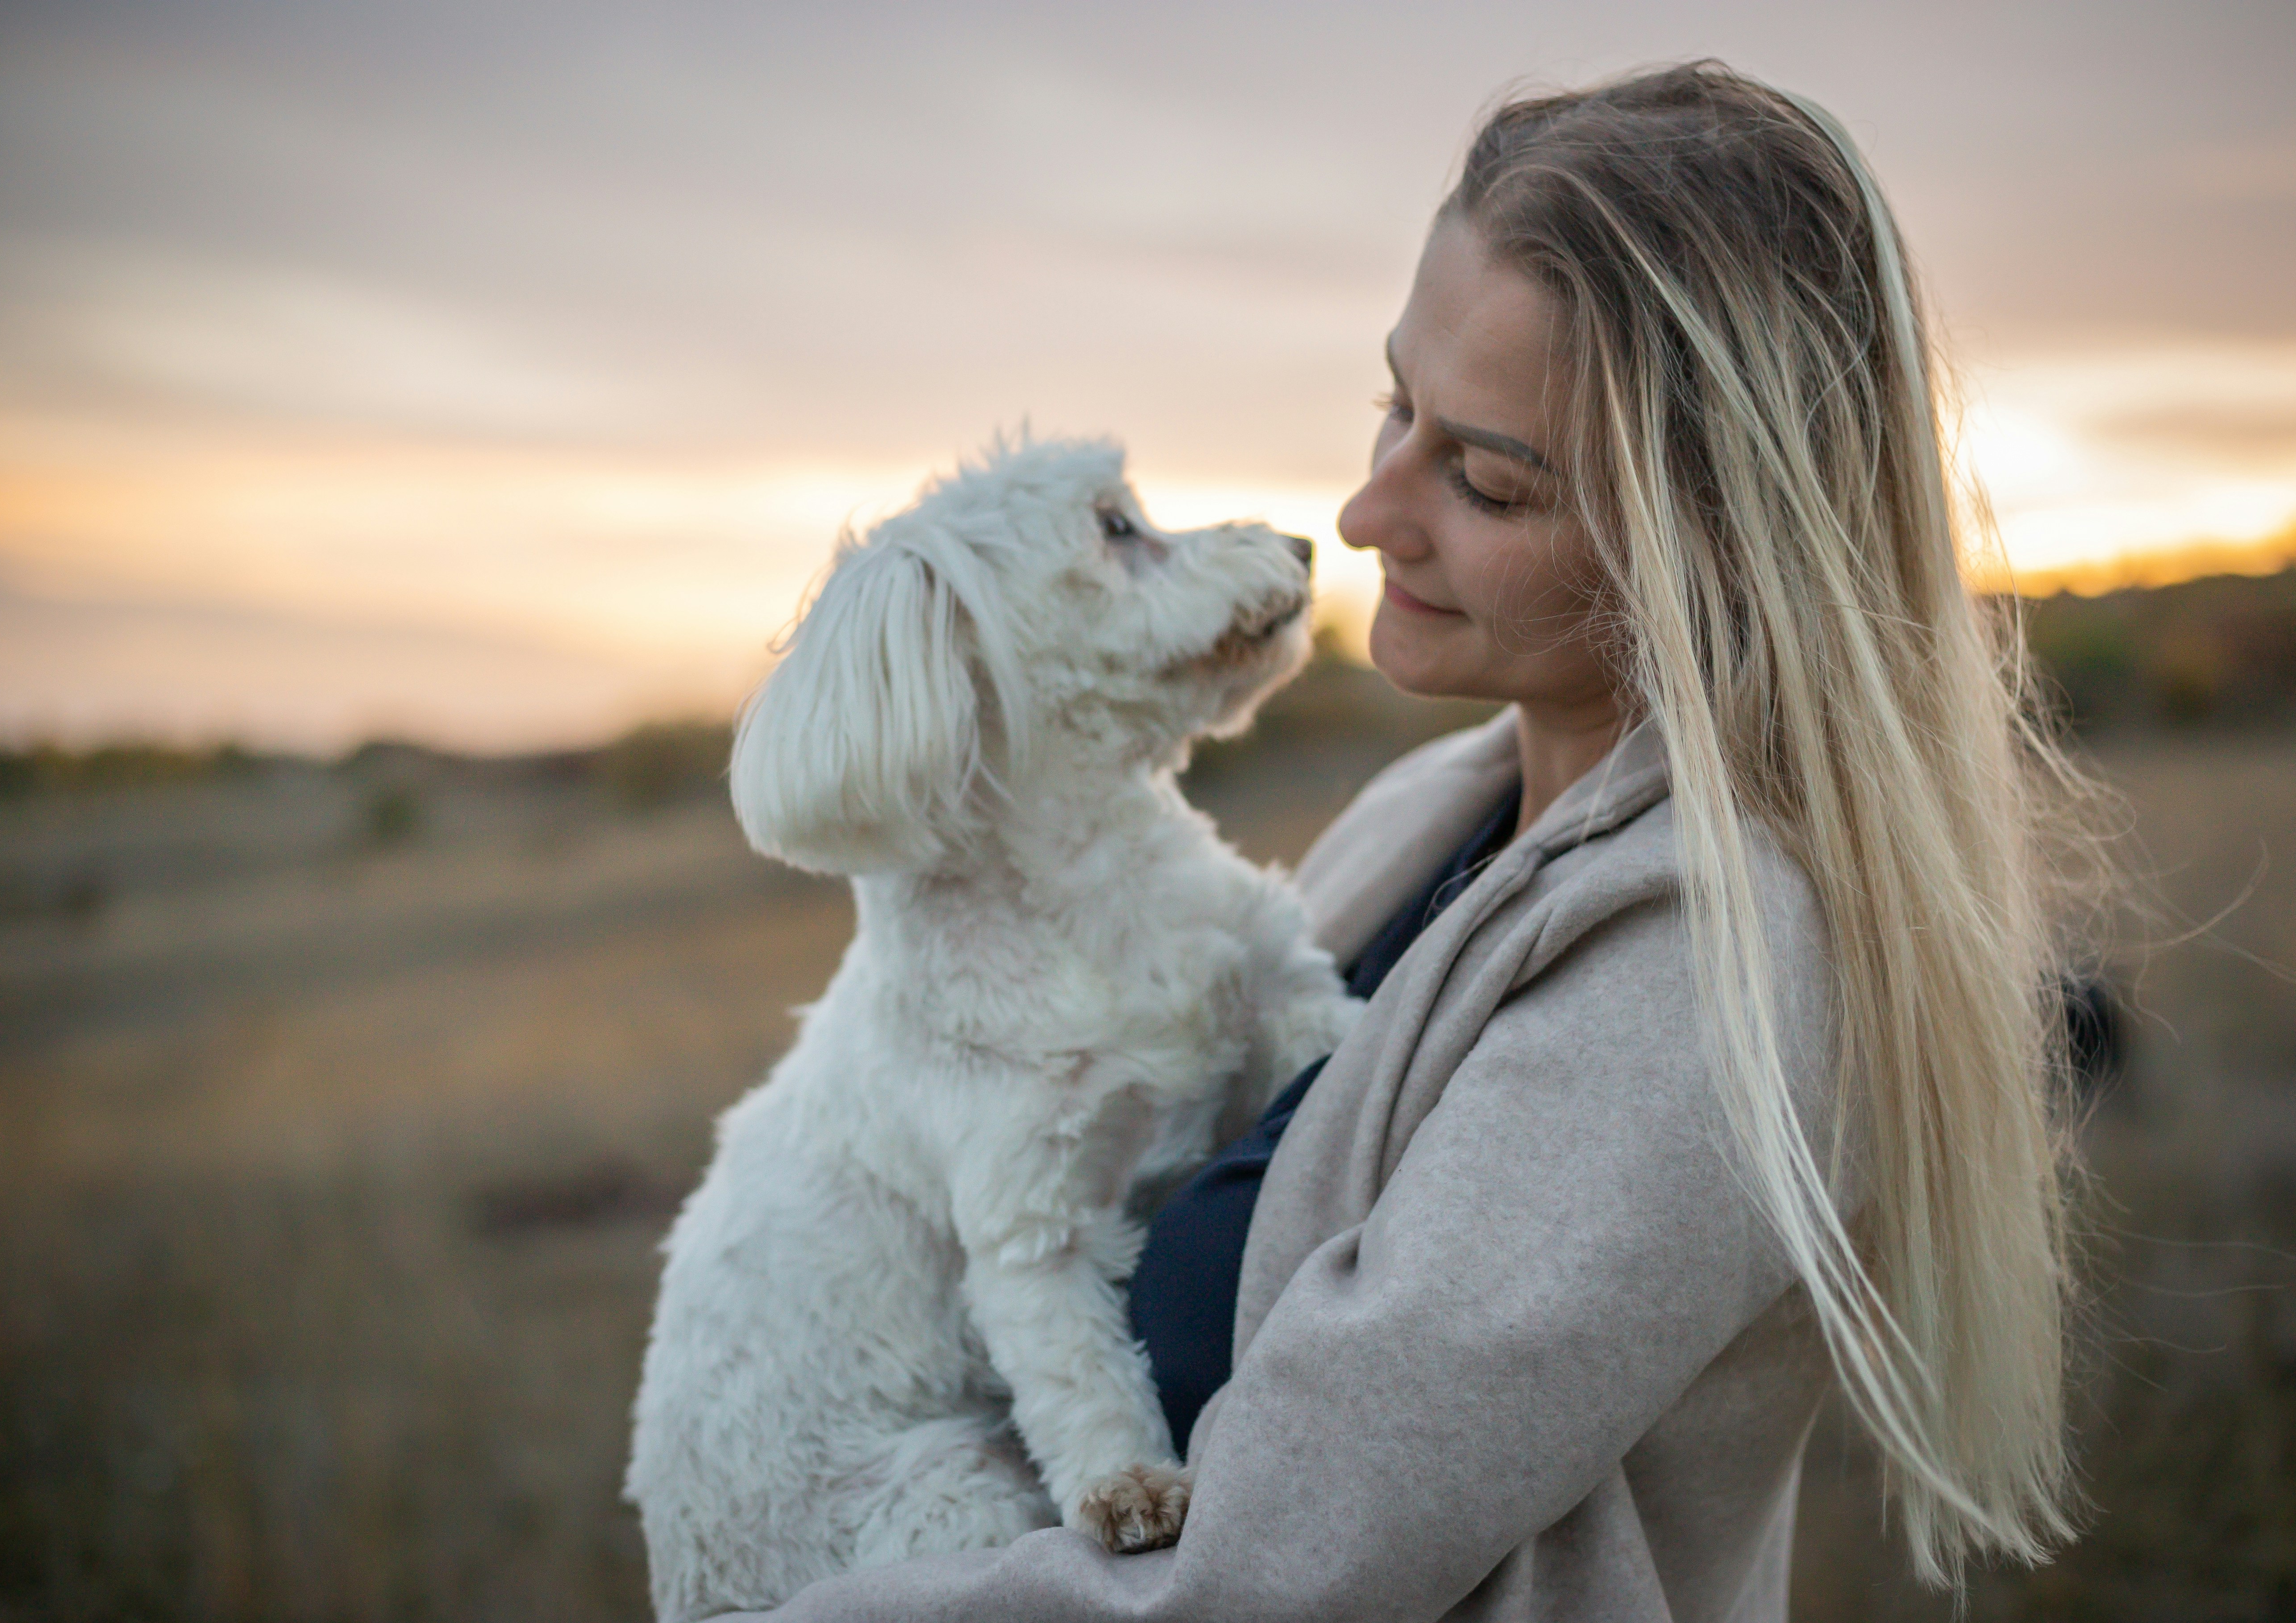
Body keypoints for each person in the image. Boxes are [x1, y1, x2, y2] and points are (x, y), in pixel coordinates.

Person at [736, 60, 2083, 1622]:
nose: (1368, 512)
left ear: (1719, 551)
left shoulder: (1710, 980)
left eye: (1488, 479)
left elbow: (1264, 1581)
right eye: (1396, 406)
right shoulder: (1428, 812)